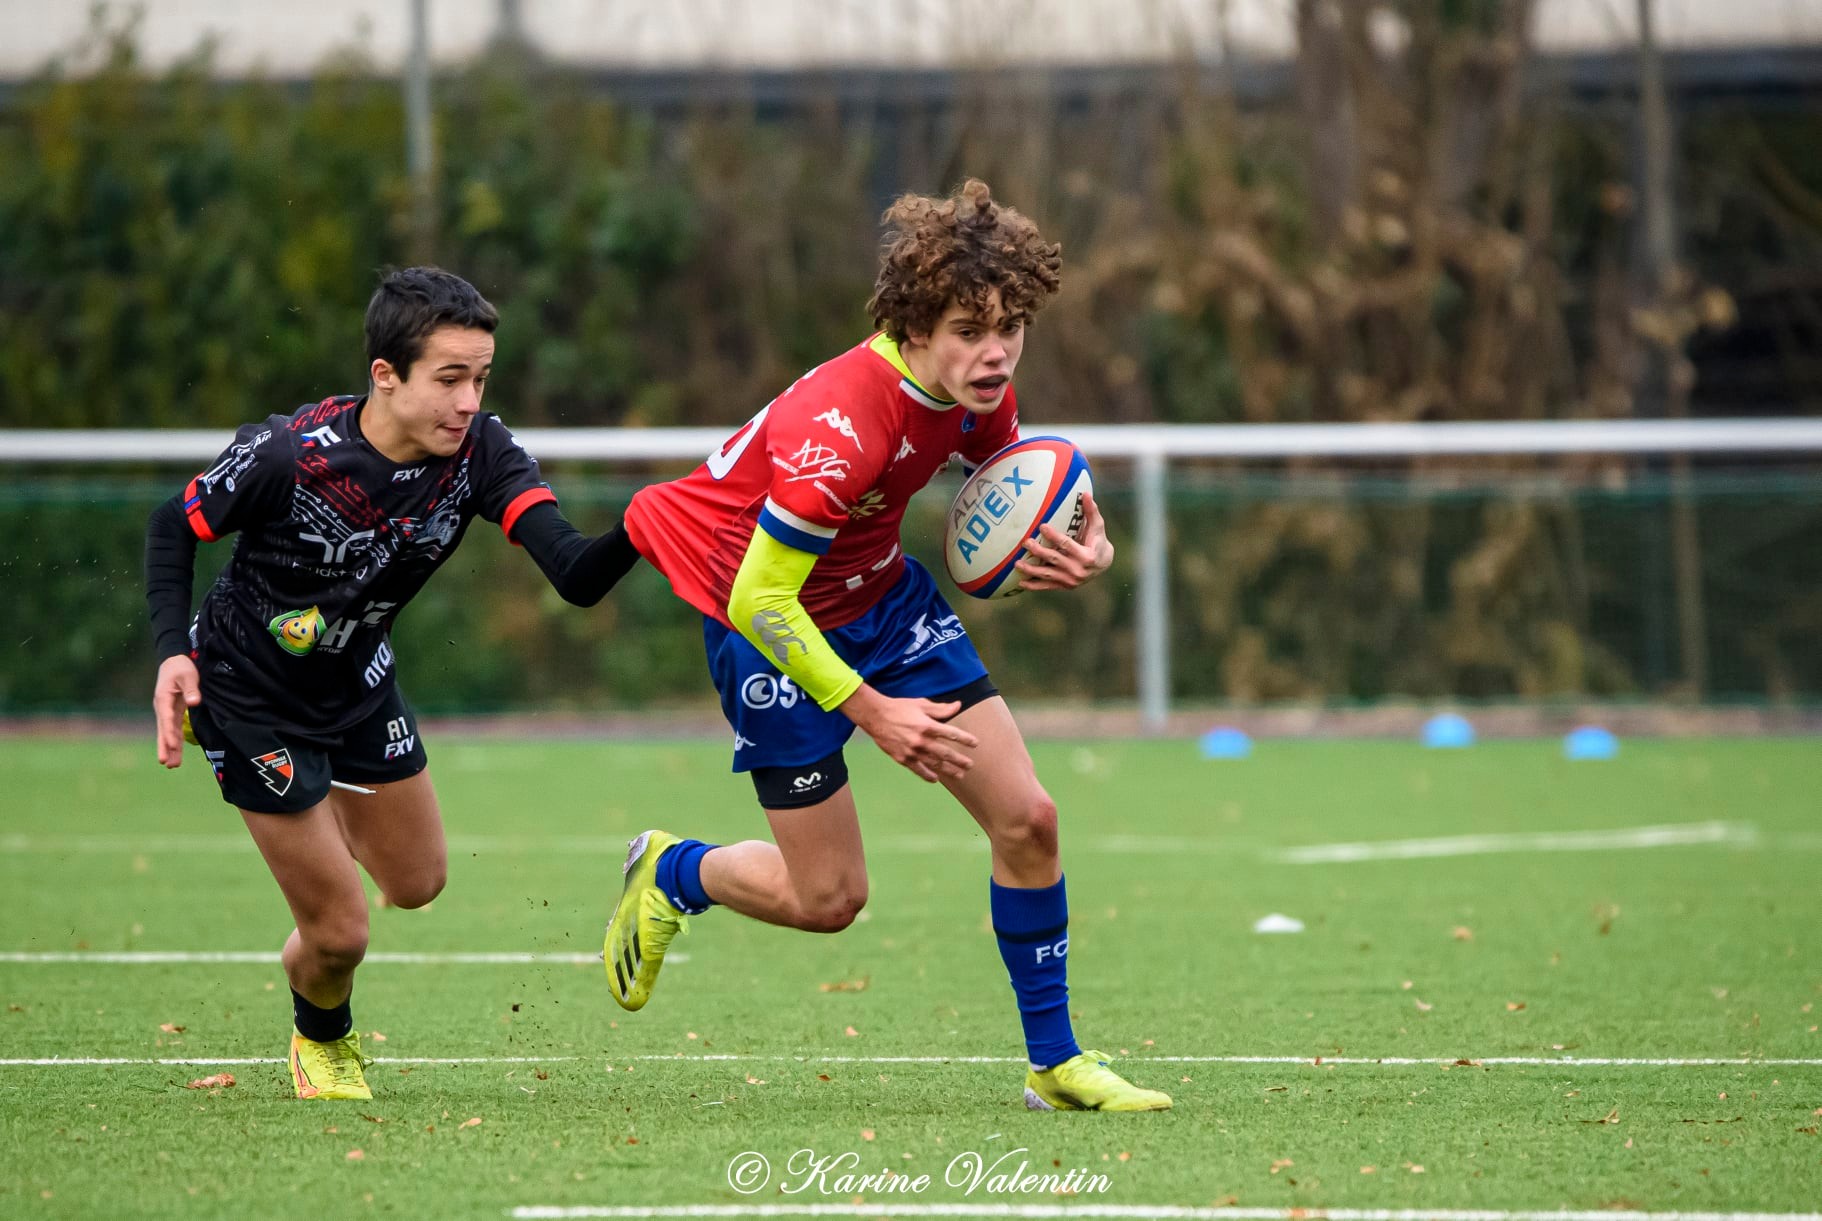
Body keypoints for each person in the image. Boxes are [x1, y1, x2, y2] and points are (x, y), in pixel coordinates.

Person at [604, 180, 1171, 1111]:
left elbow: (1008, 496)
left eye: (1011, 326)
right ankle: (673, 870)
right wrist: (871, 712)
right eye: (966, 329)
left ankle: (1055, 1063)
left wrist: (1079, 543)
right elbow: (761, 595)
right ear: (913, 323)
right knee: (828, 900)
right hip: (770, 631)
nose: (994, 354)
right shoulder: (846, 424)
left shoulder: (979, 390)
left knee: (1029, 820)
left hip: (887, 603)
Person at [144, 267, 638, 1101]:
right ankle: (320, 1039)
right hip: (245, 692)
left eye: (480, 378)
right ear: (386, 375)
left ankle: (315, 832)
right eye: (450, 379)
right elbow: (173, 524)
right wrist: (171, 652)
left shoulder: (480, 452)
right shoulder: (288, 456)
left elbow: (577, 573)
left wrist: (654, 519)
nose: (468, 400)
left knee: (419, 883)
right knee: (341, 933)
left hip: (358, 682)